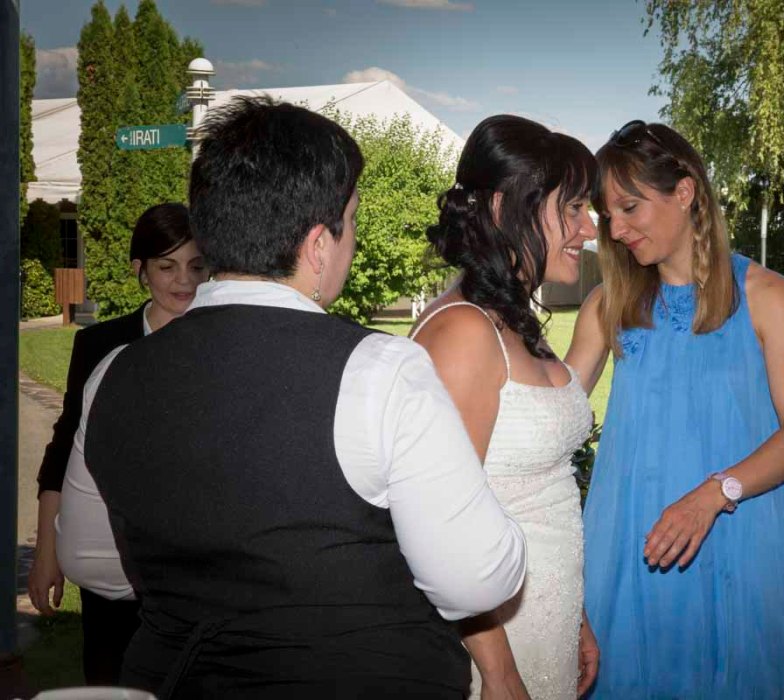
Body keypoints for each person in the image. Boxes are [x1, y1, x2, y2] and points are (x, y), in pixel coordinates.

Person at [71, 97, 527, 698]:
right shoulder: (380, 370)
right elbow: (476, 579)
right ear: (318, 244)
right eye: (351, 220)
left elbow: (90, 559)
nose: (352, 242)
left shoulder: (112, 373)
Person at [567, 120, 784, 698]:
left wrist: (713, 495)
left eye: (630, 207)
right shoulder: (606, 305)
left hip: (732, 542)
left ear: (684, 192)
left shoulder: (767, 295)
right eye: (609, 216)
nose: (617, 230)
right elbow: (552, 413)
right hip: (626, 552)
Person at [411, 114, 600, 699]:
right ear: (503, 208)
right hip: (493, 645)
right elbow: (439, 527)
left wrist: (574, 616)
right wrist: (498, 672)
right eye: (573, 208)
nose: (590, 227)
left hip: (544, 621)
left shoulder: (513, 319)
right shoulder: (463, 333)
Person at [27, 202, 206, 685]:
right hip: (109, 566)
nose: (184, 281)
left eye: (196, 266)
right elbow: (62, 451)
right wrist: (47, 551)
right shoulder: (98, 345)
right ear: (139, 271)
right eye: (167, 267)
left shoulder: (221, 344)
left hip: (193, 576)